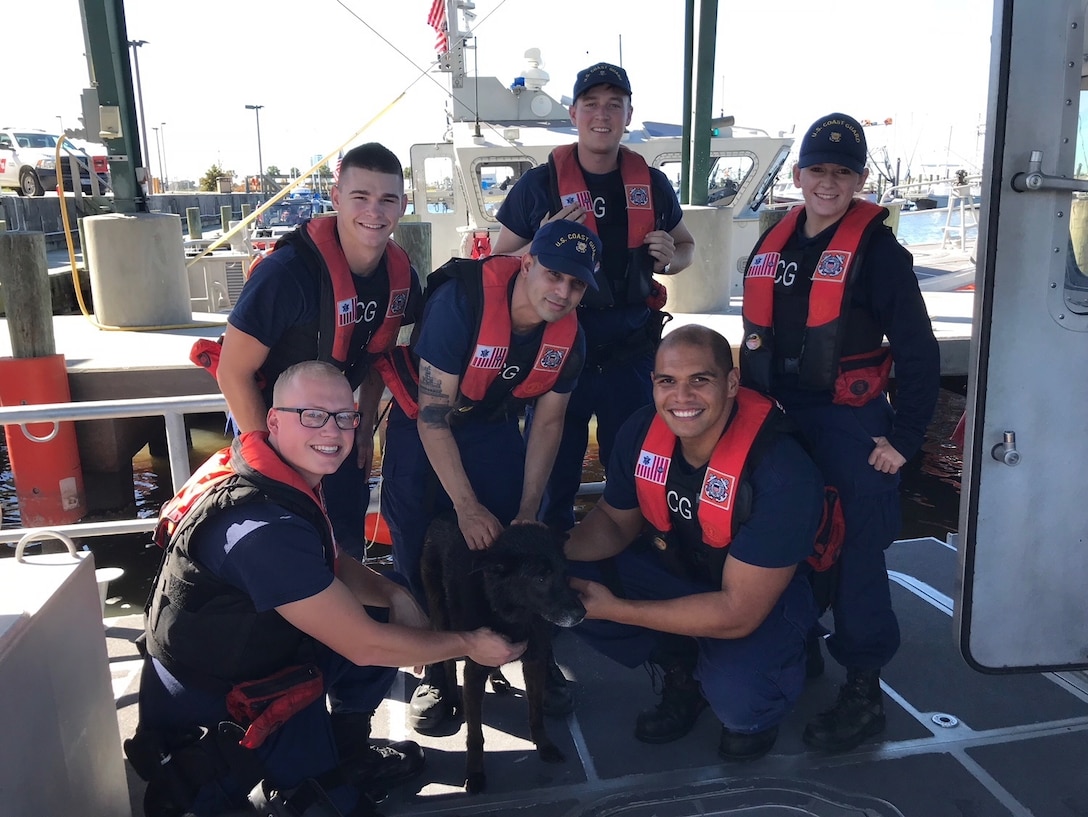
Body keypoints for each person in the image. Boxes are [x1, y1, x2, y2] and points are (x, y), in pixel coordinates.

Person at [131, 361, 525, 817]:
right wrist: (469, 643)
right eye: (313, 415)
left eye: (345, 416)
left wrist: (397, 596)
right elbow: (365, 646)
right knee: (335, 807)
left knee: (386, 595)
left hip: (262, 656)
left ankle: (346, 748)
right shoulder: (261, 529)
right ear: (274, 420)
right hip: (218, 706)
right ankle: (287, 776)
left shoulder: (272, 472)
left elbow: (329, 562)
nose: (333, 431)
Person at [739, 112, 940, 752]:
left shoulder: (880, 253)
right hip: (779, 422)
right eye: (818, 170)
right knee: (787, 541)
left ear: (859, 179)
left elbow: (917, 352)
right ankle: (800, 647)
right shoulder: (778, 241)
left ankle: (864, 689)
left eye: (843, 172)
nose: (828, 182)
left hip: (851, 426)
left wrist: (905, 438)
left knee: (855, 554)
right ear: (798, 175)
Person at [563, 325, 825, 761]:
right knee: (554, 580)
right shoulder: (640, 431)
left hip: (756, 598)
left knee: (742, 709)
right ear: (653, 383)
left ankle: (789, 651)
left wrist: (616, 610)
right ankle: (682, 668)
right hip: (681, 573)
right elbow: (613, 521)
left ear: (732, 383)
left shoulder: (781, 471)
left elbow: (738, 611)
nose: (681, 397)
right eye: (668, 381)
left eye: (699, 380)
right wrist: (546, 551)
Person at [377, 219, 600, 732]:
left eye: (577, 283)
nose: (563, 292)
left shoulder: (571, 339)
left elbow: (549, 421)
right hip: (424, 424)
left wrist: (527, 510)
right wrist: (465, 504)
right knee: (417, 545)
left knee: (513, 544)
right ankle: (438, 667)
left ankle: (522, 648)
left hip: (492, 424)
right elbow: (433, 417)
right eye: (554, 275)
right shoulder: (461, 304)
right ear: (526, 264)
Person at [493, 61, 696, 534]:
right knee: (550, 479)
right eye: (591, 104)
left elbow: (685, 247)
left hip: (631, 354)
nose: (602, 115)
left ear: (628, 114)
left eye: (613, 105)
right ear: (573, 113)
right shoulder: (538, 186)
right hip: (557, 351)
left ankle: (636, 570)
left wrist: (672, 257)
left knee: (638, 472)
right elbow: (500, 266)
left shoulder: (654, 184)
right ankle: (546, 571)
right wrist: (538, 241)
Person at [215, 142, 423, 560]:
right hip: (274, 426)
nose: (374, 212)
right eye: (360, 197)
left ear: (402, 205)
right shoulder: (285, 275)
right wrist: (266, 459)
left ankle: (342, 621)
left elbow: (376, 353)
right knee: (278, 545)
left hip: (339, 426)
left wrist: (363, 427)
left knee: (342, 539)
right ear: (336, 198)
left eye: (387, 200)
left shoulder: (402, 279)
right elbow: (231, 371)